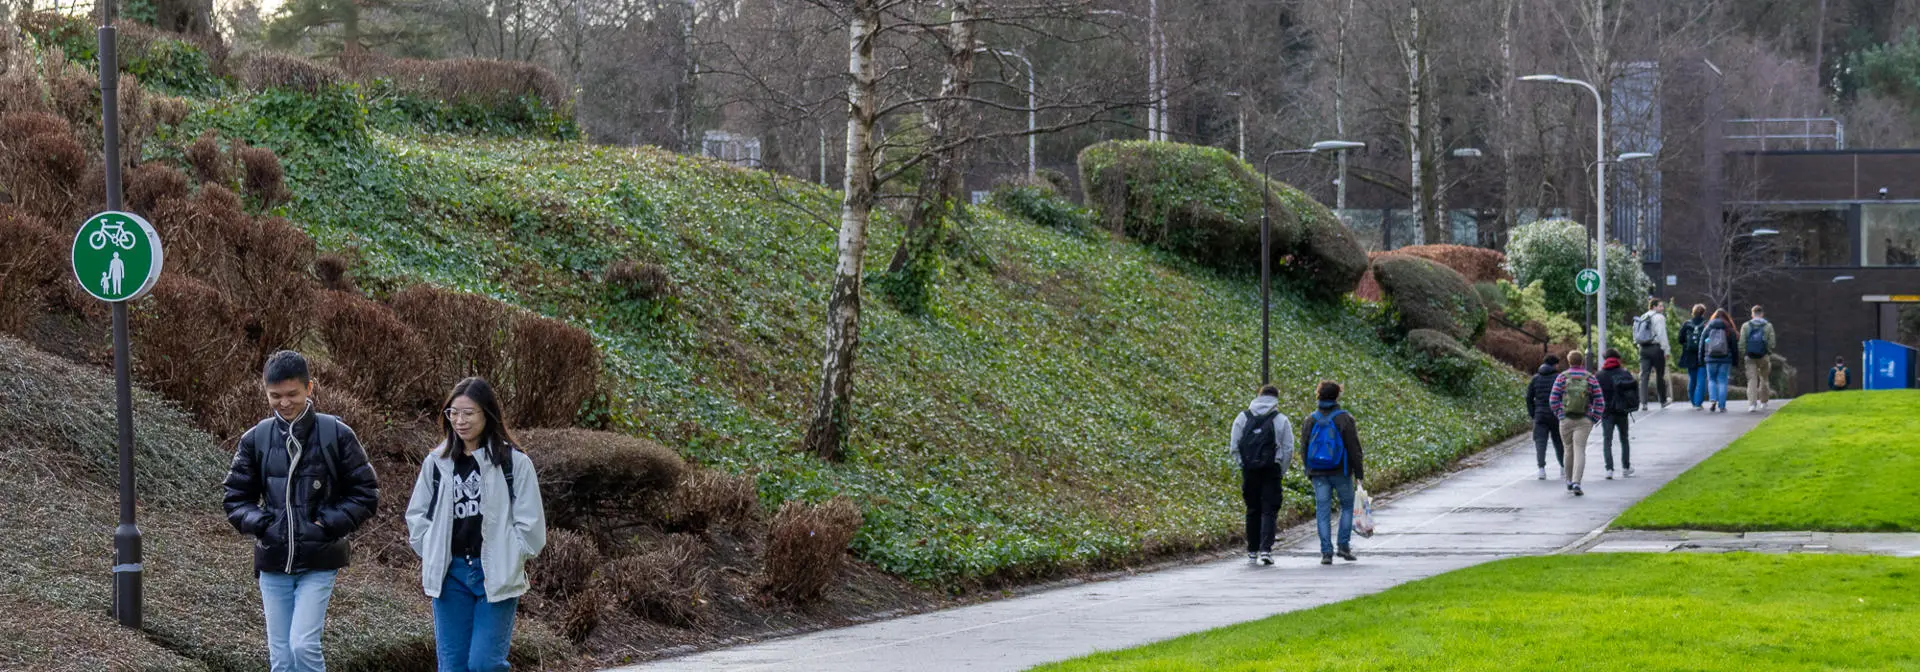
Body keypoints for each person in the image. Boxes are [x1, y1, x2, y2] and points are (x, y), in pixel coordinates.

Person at [222, 351, 380, 672]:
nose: (284, 402)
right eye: (275, 396)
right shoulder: (256, 439)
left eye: (292, 394)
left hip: (319, 560)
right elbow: (235, 498)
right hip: (273, 560)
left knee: (303, 645)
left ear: (310, 388)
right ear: (265, 392)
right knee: (281, 659)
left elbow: (366, 493)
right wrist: (263, 524)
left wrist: (327, 524)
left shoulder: (335, 433)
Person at [407, 377, 548, 672]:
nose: (460, 421)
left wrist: (512, 555)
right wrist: (431, 549)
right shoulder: (437, 463)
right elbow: (417, 515)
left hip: (495, 571)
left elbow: (531, 525)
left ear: (488, 413)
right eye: (453, 413)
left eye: (468, 413)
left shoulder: (514, 463)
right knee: (453, 665)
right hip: (451, 574)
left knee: (485, 664)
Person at [1227, 385, 1294, 566]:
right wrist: (1281, 469)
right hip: (1271, 470)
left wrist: (1243, 464)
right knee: (1269, 510)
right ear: (1276, 399)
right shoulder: (1280, 420)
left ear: (1258, 396)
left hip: (1250, 470)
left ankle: (1252, 551)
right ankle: (1266, 549)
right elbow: (1288, 449)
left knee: (1252, 509)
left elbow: (1234, 446)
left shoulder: (1242, 417)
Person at [1300, 381, 1364, 565]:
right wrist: (1359, 472)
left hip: (1318, 472)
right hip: (1341, 471)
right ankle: (1343, 546)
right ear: (1337, 396)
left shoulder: (1310, 419)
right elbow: (1354, 448)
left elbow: (1304, 447)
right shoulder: (1344, 418)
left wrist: (1308, 469)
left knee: (1322, 510)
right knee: (1347, 506)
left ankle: (1326, 552)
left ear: (1318, 395)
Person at [1548, 350, 1606, 496]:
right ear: (1582, 362)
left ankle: (1568, 481)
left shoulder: (1562, 377)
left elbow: (1553, 399)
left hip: (1566, 419)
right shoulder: (1590, 378)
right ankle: (1577, 482)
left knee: (1568, 450)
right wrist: (1593, 418)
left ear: (1569, 361)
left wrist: (1560, 414)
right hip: (1584, 419)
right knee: (1580, 450)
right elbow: (1600, 400)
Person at [1596, 349, 1640, 479]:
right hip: (1622, 411)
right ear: (1617, 359)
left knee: (1607, 440)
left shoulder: (1600, 375)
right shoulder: (1625, 373)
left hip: (1607, 412)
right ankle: (1626, 467)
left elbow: (1595, 394)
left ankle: (1609, 469)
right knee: (1624, 439)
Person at [1524, 354, 1565, 480]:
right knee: (1559, 441)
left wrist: (1533, 413)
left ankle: (1541, 469)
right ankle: (1563, 467)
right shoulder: (1559, 378)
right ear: (1555, 365)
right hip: (1556, 414)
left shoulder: (1536, 378)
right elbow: (1565, 396)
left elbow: (1528, 398)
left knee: (1540, 443)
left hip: (1540, 415)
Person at [1631, 299, 1671, 409]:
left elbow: (1636, 332)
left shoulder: (1642, 317)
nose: (1662, 308)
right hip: (1656, 348)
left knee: (1644, 375)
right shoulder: (1659, 318)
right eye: (1660, 306)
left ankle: (1643, 403)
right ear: (1653, 307)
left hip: (1643, 348)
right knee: (1659, 374)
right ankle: (1662, 401)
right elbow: (1662, 334)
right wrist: (1666, 350)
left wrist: (1639, 345)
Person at [1740, 305, 1778, 412]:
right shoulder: (1768, 326)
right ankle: (1764, 402)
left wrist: (1744, 353)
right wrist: (1768, 352)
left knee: (1752, 380)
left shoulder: (1746, 326)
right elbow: (1772, 342)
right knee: (1764, 378)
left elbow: (1742, 343)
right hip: (1764, 356)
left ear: (1752, 314)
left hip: (1750, 356)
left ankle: (1752, 404)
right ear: (1762, 314)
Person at [1701, 309, 1737, 413]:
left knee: (1711, 379)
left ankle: (1713, 400)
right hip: (1725, 359)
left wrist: (1701, 358)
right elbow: (1734, 345)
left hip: (1710, 358)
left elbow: (1702, 343)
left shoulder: (1708, 327)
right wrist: (1735, 360)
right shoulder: (1729, 328)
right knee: (1723, 380)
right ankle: (1722, 406)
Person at [1678, 304, 1709, 410]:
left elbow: (1680, 339)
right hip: (1702, 355)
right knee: (1701, 380)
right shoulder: (1706, 324)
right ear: (1703, 313)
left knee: (1692, 379)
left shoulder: (1687, 324)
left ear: (1693, 312)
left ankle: (1692, 400)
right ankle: (1698, 403)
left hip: (1689, 355)